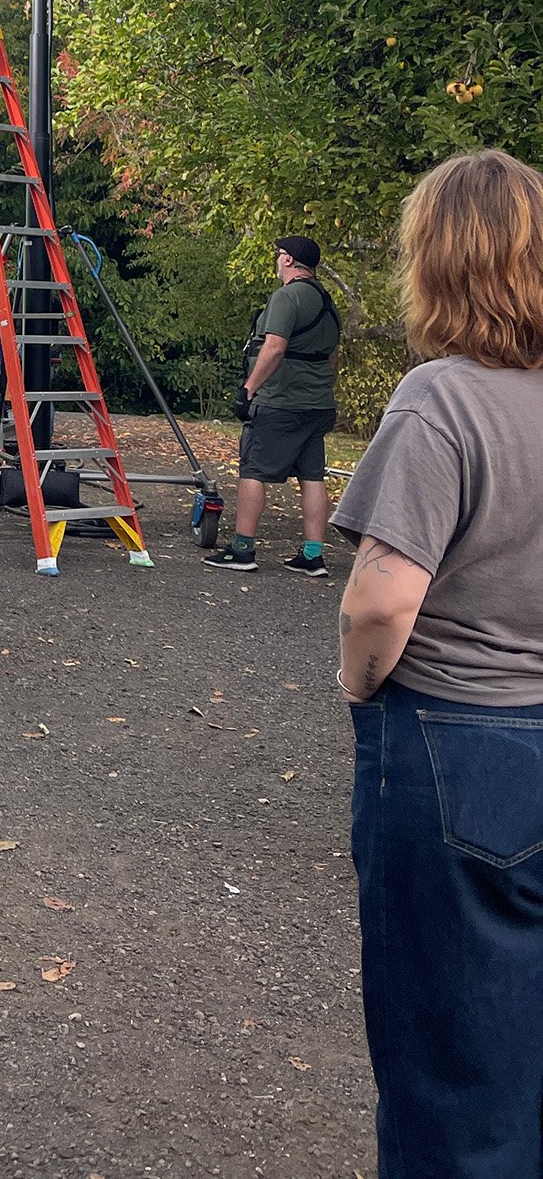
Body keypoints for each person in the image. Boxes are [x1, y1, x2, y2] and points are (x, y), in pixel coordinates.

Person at [333, 148, 543, 1179]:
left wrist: (356, 683)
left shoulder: (441, 400)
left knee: (453, 1058)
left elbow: (381, 600)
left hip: (460, 740)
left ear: (437, 262)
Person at [204, 233, 342, 574]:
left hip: (281, 402)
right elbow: (332, 358)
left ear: (289, 260)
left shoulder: (286, 297)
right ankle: (313, 555)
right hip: (318, 405)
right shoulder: (328, 303)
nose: (277, 260)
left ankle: (243, 550)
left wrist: (248, 389)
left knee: (253, 470)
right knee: (312, 476)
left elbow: (275, 347)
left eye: (279, 254)